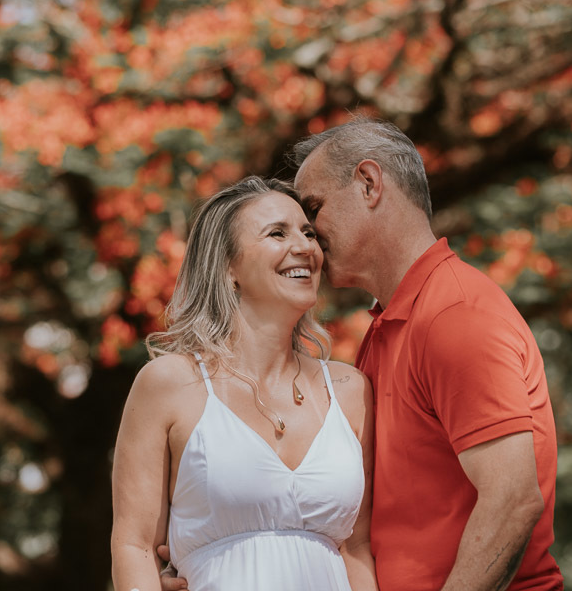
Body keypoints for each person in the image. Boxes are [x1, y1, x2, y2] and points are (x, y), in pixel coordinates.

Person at [160, 116, 563, 591]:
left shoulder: (454, 315)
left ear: (369, 184)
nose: (308, 239)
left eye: (314, 210)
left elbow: (513, 500)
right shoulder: (388, 329)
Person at [110, 176, 378, 591]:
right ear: (229, 267)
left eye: (308, 232)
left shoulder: (350, 388)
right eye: (277, 233)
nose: (306, 247)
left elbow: (358, 547)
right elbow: (135, 546)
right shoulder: (169, 384)